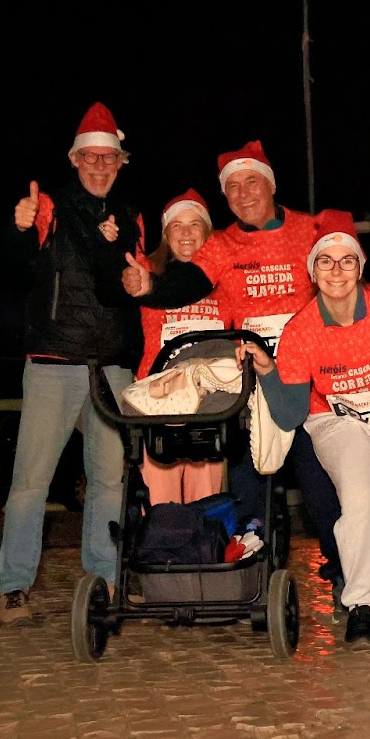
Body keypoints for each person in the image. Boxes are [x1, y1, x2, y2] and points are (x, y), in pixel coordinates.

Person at [121, 140, 346, 611]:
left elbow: (346, 283)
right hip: (249, 389)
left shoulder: (309, 231)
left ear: (271, 185)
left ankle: (345, 569)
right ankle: (250, 569)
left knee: (319, 482)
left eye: (252, 181)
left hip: (309, 385)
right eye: (232, 187)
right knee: (249, 486)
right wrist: (152, 287)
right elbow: (190, 282)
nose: (243, 193)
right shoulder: (222, 244)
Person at [237, 211, 370, 644]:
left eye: (347, 260)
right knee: (361, 499)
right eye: (325, 261)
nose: (337, 271)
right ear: (312, 271)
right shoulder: (301, 330)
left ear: (360, 268)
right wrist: (268, 370)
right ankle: (360, 605)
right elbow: (290, 415)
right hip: (337, 418)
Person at [0, 103, 142, 627]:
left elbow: (136, 293)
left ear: (122, 162)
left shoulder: (133, 216)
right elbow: (11, 265)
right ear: (74, 159)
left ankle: (105, 578)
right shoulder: (49, 208)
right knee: (31, 480)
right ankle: (14, 584)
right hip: (54, 361)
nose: (99, 166)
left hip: (112, 365)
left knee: (108, 481)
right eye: (90, 157)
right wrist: (16, 228)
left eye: (109, 158)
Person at [136, 189, 226, 506]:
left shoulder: (225, 281)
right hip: (157, 405)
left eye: (194, 224)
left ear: (207, 232)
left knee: (206, 500)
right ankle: (162, 554)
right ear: (165, 234)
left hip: (211, 406)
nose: (186, 232)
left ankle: (205, 554)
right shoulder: (146, 273)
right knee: (161, 501)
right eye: (176, 225)